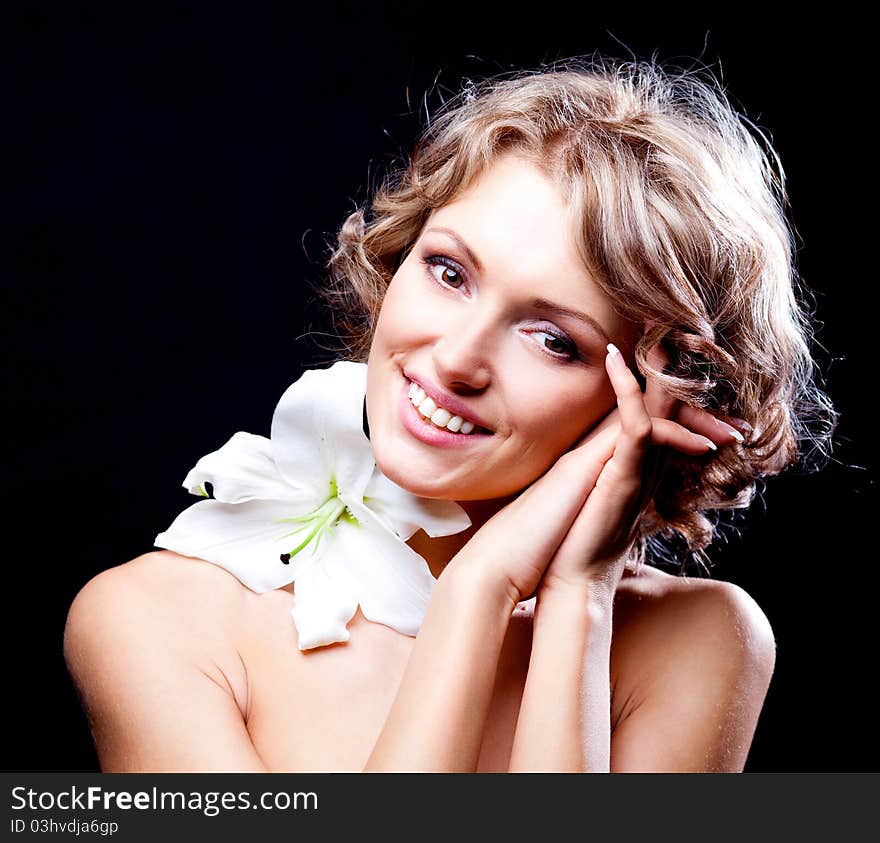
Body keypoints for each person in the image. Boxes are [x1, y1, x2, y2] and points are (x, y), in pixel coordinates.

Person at [62, 55, 836, 772]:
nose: (458, 357)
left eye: (552, 338)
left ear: (657, 394)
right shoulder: (157, 620)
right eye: (448, 271)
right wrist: (477, 590)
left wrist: (576, 597)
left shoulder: (698, 642)